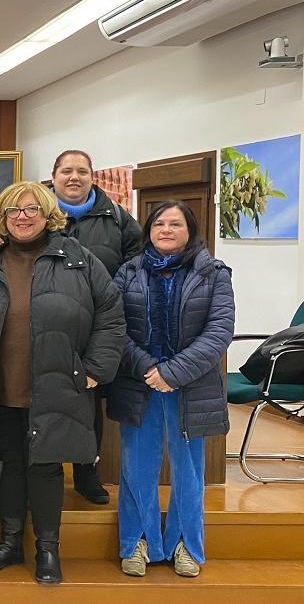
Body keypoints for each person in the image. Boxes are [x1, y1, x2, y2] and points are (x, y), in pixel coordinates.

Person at [0, 181, 125, 585]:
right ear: (3, 217)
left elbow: (111, 315)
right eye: (13, 210)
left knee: (45, 468)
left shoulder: (80, 260)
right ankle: (10, 542)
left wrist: (95, 369)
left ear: (48, 215)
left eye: (31, 209)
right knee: (5, 464)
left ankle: (47, 548)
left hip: (58, 384)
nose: (22, 217)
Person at [0, 149, 143, 503]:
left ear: (92, 176)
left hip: (89, 324)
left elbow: (138, 262)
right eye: (67, 171)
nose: (74, 177)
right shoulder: (26, 220)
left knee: (87, 406)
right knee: (31, 409)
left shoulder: (115, 216)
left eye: (82, 171)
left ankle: (87, 471)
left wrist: (109, 293)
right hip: (47, 324)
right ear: (53, 177)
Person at [110, 202, 234, 578]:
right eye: (159, 223)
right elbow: (114, 325)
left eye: (175, 223)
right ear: (148, 229)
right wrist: (148, 367)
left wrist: (173, 372)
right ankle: (137, 542)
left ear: (189, 229)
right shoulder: (128, 272)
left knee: (189, 470)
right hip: (140, 382)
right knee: (136, 467)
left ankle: (186, 544)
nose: (166, 229)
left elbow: (219, 331)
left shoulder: (213, 273)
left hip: (190, 385)